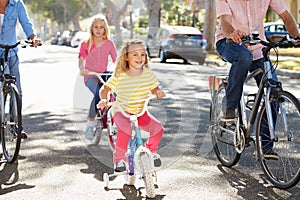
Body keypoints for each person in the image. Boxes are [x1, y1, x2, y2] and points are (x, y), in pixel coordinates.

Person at [215, 0, 300, 159]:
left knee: (274, 90)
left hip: (257, 47)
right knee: (243, 56)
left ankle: (265, 146)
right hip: (228, 42)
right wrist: (232, 33)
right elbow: (225, 21)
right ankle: (229, 108)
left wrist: (296, 33)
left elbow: (285, 15)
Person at [98, 39, 165, 172]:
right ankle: (119, 159)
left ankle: (150, 152)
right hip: (121, 111)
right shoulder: (120, 75)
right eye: (135, 54)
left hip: (140, 112)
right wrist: (104, 100)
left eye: (142, 54)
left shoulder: (148, 74)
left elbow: (154, 88)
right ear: (127, 57)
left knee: (158, 129)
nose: (139, 58)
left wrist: (158, 92)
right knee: (126, 130)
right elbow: (105, 90)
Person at [0, 0, 41, 139]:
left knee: (16, 89)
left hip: (10, 53)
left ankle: (15, 126)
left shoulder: (17, 4)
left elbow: (26, 22)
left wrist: (33, 38)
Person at [78, 14, 117, 140]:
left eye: (101, 27)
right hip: (91, 75)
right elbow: (81, 58)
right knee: (97, 93)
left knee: (117, 87)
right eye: (96, 27)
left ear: (105, 29)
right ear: (91, 28)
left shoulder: (109, 43)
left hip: (104, 73)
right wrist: (82, 69)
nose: (98, 29)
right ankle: (90, 123)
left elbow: (117, 60)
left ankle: (117, 116)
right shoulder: (86, 43)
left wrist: (122, 70)